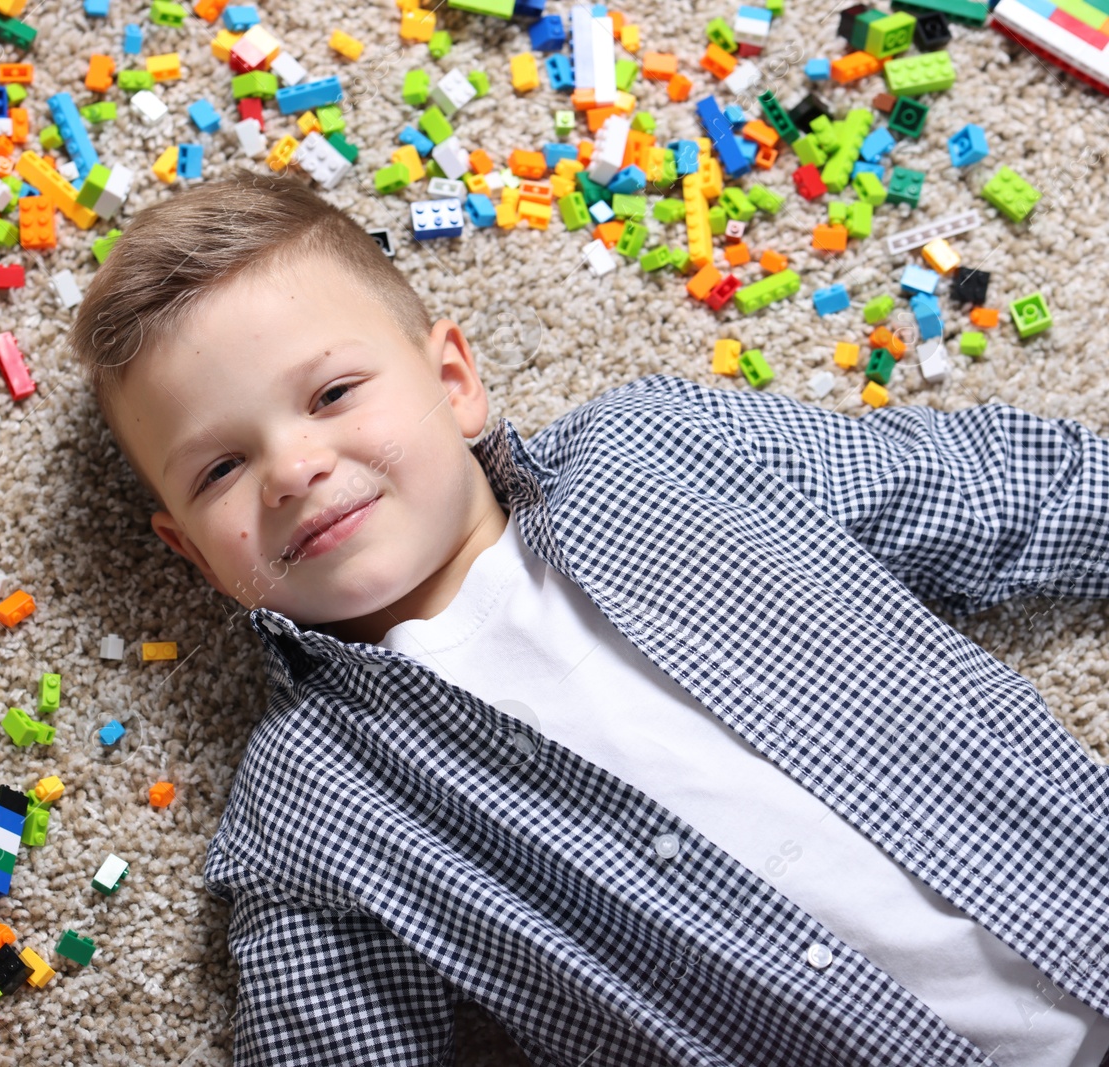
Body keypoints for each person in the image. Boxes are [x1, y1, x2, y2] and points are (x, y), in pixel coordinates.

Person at [67, 171, 1109, 1067]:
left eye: (333, 392)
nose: (293, 469)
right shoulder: (311, 809)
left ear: (452, 381)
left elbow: (993, 492)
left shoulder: (660, 445)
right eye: (220, 467)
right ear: (194, 553)